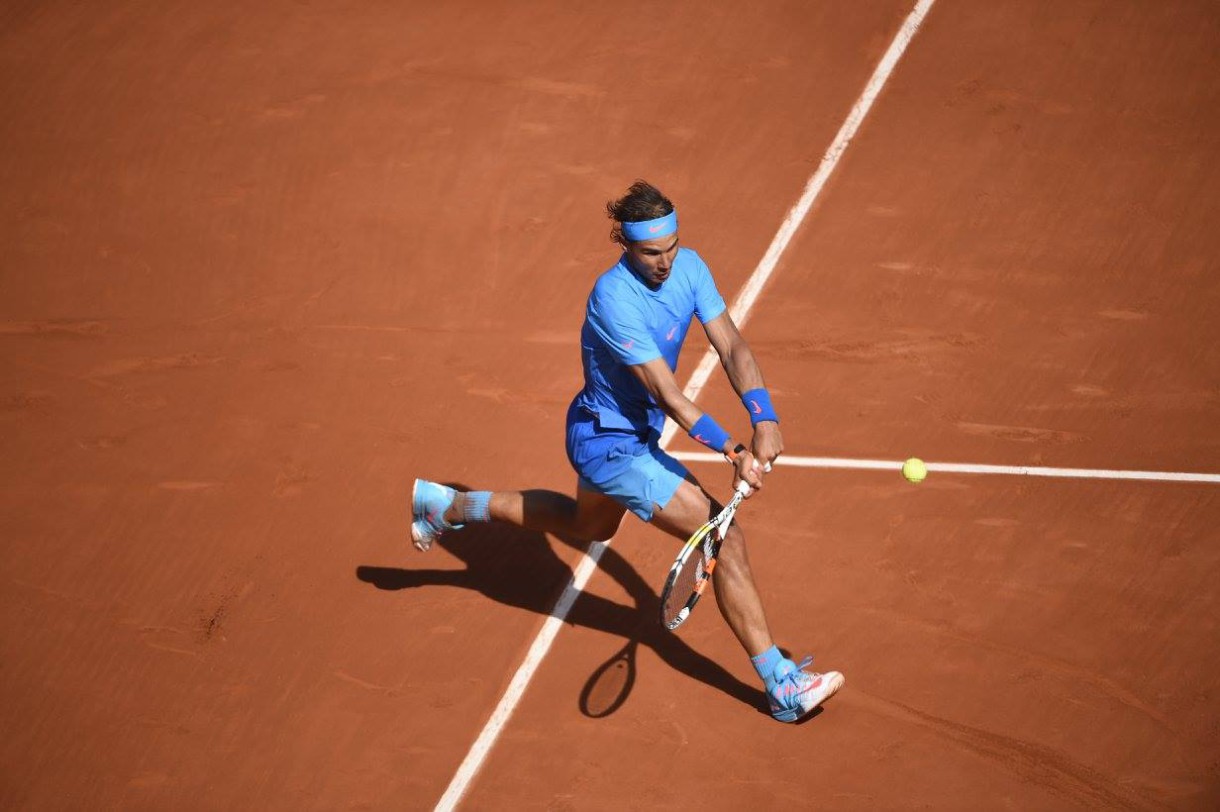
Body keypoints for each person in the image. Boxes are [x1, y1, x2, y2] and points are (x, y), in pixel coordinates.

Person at [410, 180, 843, 723]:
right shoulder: (613, 299)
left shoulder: (690, 268)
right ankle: (781, 685)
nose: (665, 263)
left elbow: (730, 342)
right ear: (626, 245)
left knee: (587, 526)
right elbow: (667, 394)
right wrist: (734, 449)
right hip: (610, 445)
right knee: (724, 537)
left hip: (619, 434)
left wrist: (765, 416)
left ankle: (447, 506)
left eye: (672, 247)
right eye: (651, 253)